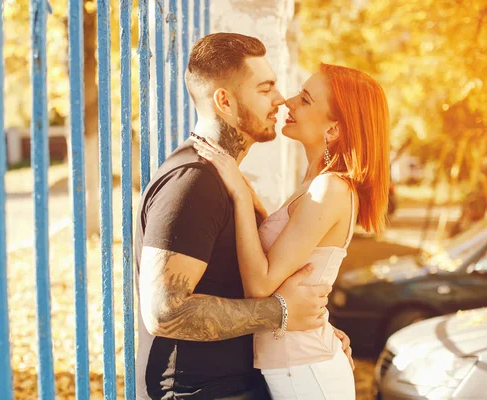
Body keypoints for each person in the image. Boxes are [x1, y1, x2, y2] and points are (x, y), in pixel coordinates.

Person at [134, 33, 353, 400]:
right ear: (225, 100)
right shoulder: (194, 181)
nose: (280, 99)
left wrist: (316, 331)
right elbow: (163, 311)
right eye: (265, 88)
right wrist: (280, 313)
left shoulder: (226, 180)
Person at [193, 63, 390, 399]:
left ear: (333, 130)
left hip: (306, 374)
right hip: (297, 367)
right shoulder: (314, 186)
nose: (288, 102)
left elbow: (260, 285)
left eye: (306, 99)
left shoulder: (330, 189)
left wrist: (240, 193)